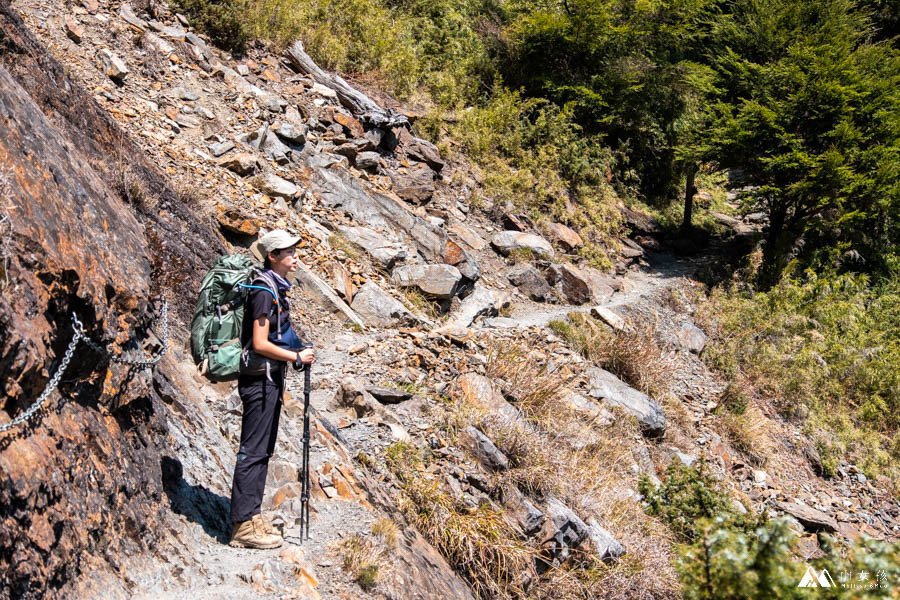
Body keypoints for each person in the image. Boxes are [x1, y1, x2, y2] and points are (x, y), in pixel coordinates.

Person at [229, 229, 315, 549]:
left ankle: (251, 516)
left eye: (294, 250)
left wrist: (299, 348)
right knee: (253, 452)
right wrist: (295, 355)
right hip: (259, 382)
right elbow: (262, 342)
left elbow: (280, 332)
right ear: (273, 257)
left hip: (268, 379)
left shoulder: (276, 287)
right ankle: (242, 526)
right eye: (288, 251)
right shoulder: (265, 291)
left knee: (262, 450)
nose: (295, 256)